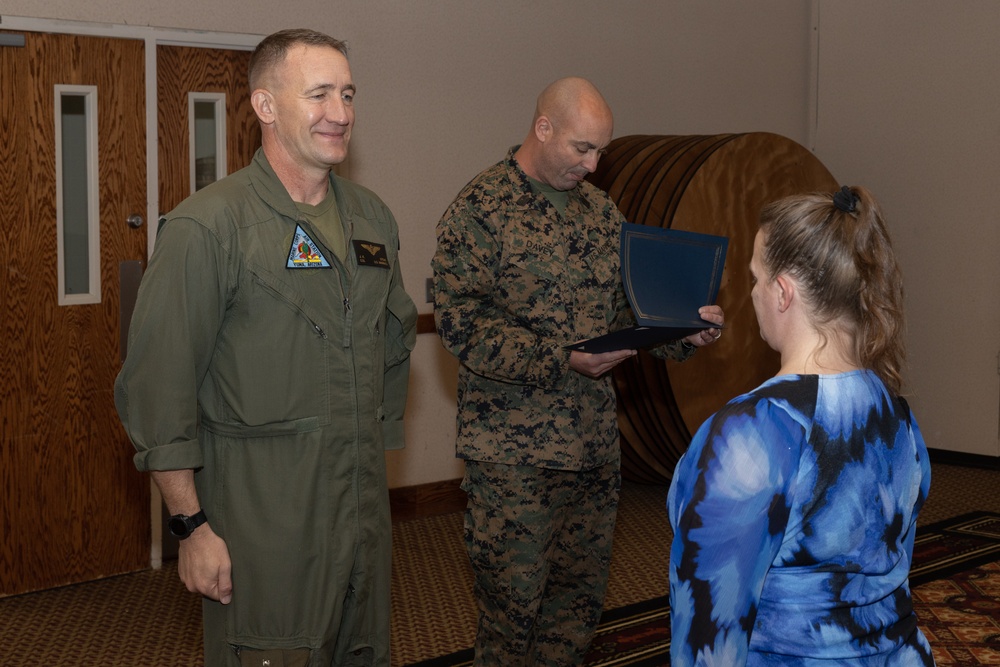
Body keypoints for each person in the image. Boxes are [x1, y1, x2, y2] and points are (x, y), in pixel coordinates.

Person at [115, 29, 416, 666]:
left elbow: (393, 339)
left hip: (362, 518)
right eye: (319, 94)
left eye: (349, 93)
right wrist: (191, 528)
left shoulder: (372, 220)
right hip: (263, 526)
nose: (341, 112)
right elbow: (156, 389)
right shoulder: (208, 227)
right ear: (266, 106)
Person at [432, 77, 724, 666]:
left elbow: (626, 310)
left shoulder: (600, 212)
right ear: (543, 128)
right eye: (581, 149)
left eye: (600, 152)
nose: (592, 165)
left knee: (575, 611)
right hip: (515, 454)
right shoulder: (481, 207)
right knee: (511, 615)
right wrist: (559, 358)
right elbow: (461, 323)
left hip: (592, 446)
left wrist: (681, 330)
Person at [668, 186, 934, 666]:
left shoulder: (751, 433)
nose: (751, 294)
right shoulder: (896, 412)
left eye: (755, 278)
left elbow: (708, 636)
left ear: (783, 292)